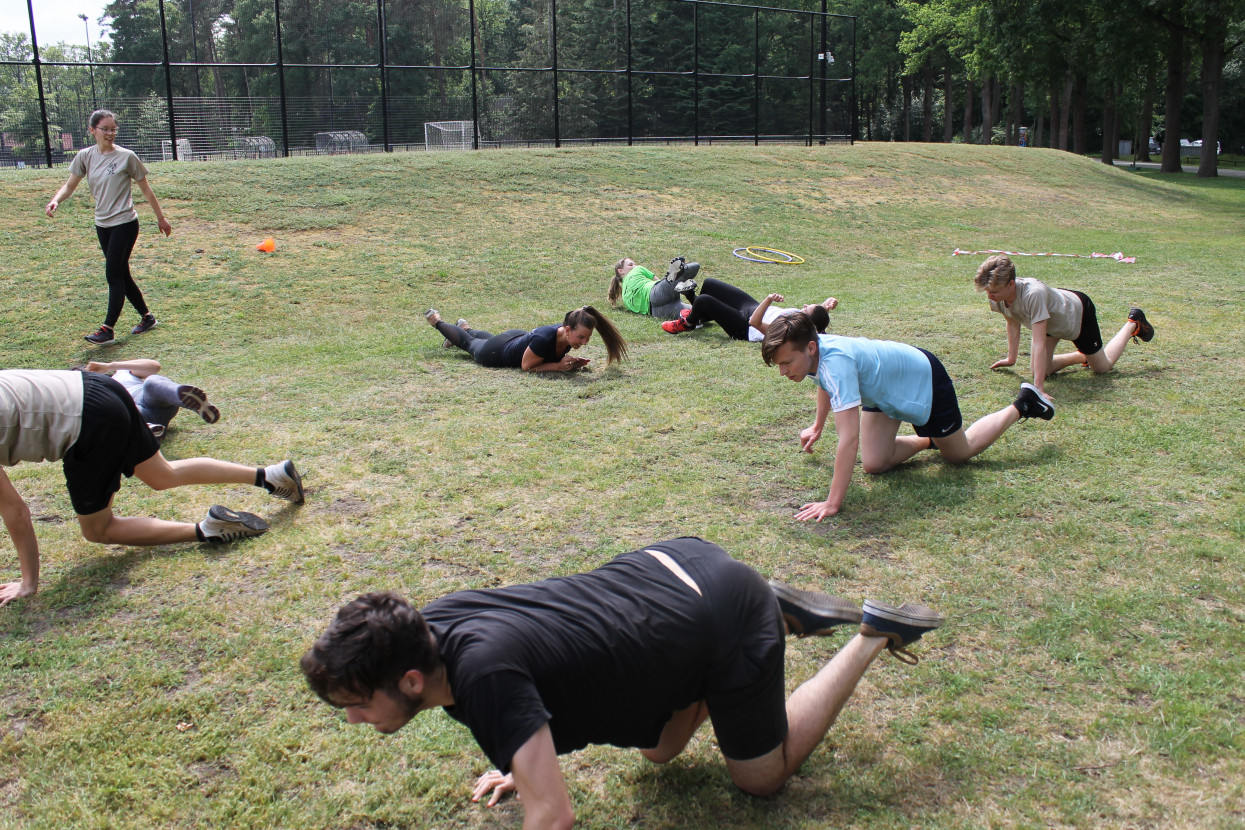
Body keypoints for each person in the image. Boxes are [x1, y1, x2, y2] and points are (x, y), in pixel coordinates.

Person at [301, 536, 944, 827]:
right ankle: (759, 609)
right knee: (659, 750)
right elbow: (529, 671)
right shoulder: (427, 627)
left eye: (357, 705)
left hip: (718, 613)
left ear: (410, 680)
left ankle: (869, 634)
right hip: (670, 567)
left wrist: (526, 762)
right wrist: (519, 757)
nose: (354, 719)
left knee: (761, 779)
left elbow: (553, 817)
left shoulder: (482, 675)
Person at [0, 369, 304, 608]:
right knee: (162, 474)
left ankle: (209, 529)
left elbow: (15, 511)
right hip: (98, 387)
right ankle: (270, 476)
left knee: (98, 529)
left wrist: (28, 583)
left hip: (86, 422)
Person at [761, 312, 1055, 522]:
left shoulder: (835, 362)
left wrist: (832, 502)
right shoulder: (815, 356)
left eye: (787, 362)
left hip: (921, 380)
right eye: (779, 365)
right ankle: (932, 440)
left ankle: (1023, 403)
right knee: (875, 463)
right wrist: (817, 425)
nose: (783, 371)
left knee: (959, 453)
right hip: (883, 391)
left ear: (811, 347)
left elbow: (849, 439)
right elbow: (825, 383)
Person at [45, 109, 172, 346]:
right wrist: (56, 200)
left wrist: (161, 218)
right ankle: (148, 317)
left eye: (113, 129)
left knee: (113, 274)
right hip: (102, 225)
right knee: (122, 273)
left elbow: (146, 189)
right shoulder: (85, 156)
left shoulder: (127, 156)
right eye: (105, 129)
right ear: (93, 130)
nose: (110, 133)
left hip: (125, 223)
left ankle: (108, 328)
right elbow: (70, 185)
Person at [974, 255, 1155, 396]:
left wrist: (1038, 389)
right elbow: (1012, 323)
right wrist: (1011, 359)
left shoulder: (1033, 294)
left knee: (1102, 368)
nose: (990, 296)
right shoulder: (998, 296)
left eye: (994, 292)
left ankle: (1133, 322)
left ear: (1011, 284)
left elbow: (1038, 343)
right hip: (1050, 321)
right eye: (987, 291)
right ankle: (1083, 356)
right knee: (1041, 370)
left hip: (1076, 314)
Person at [425, 307, 627, 372]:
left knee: (480, 338)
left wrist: (570, 364)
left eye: (587, 338)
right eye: (581, 337)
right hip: (497, 352)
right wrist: (558, 366)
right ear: (567, 329)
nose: (584, 342)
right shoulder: (544, 339)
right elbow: (527, 366)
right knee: (470, 344)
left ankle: (466, 328)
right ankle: (437, 321)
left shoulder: (563, 336)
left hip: (515, 337)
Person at [80, 359, 219, 441]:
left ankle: (189, 400)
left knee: (152, 382)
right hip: (131, 411)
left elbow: (154, 367)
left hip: (149, 398)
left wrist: (111, 366)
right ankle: (146, 430)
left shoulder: (121, 373)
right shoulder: (92, 394)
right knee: (119, 410)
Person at [661, 281, 837, 337]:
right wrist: (827, 304)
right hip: (752, 307)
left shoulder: (790, 329)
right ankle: (698, 314)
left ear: (806, 321)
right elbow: (817, 322)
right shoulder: (807, 320)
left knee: (705, 300)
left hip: (746, 326)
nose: (804, 306)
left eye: (806, 309)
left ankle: (689, 323)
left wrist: (768, 300)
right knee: (710, 284)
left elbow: (755, 322)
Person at [608, 256, 700, 321]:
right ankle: (678, 276)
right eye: (630, 264)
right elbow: (657, 280)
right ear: (621, 271)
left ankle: (678, 282)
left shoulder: (625, 298)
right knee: (694, 267)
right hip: (654, 293)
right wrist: (666, 284)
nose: (634, 266)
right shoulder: (637, 269)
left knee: (695, 313)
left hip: (654, 311)